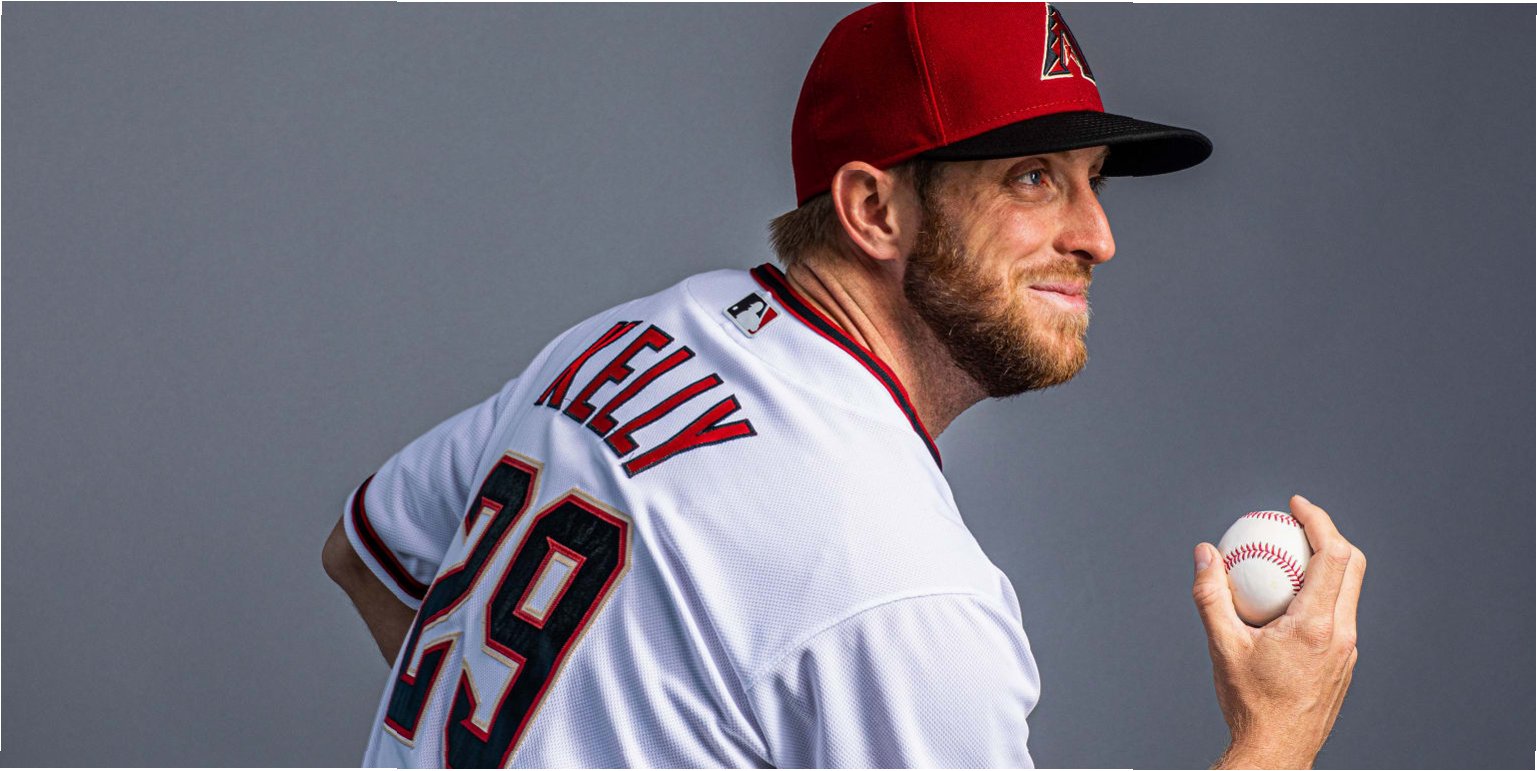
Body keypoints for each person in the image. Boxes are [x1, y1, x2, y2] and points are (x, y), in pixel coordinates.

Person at [323, 3, 1366, 767]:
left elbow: (362, 550)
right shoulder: (901, 591)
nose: (1095, 237)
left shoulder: (626, 341)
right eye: (1033, 178)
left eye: (1091, 181)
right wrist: (1276, 734)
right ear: (872, 210)